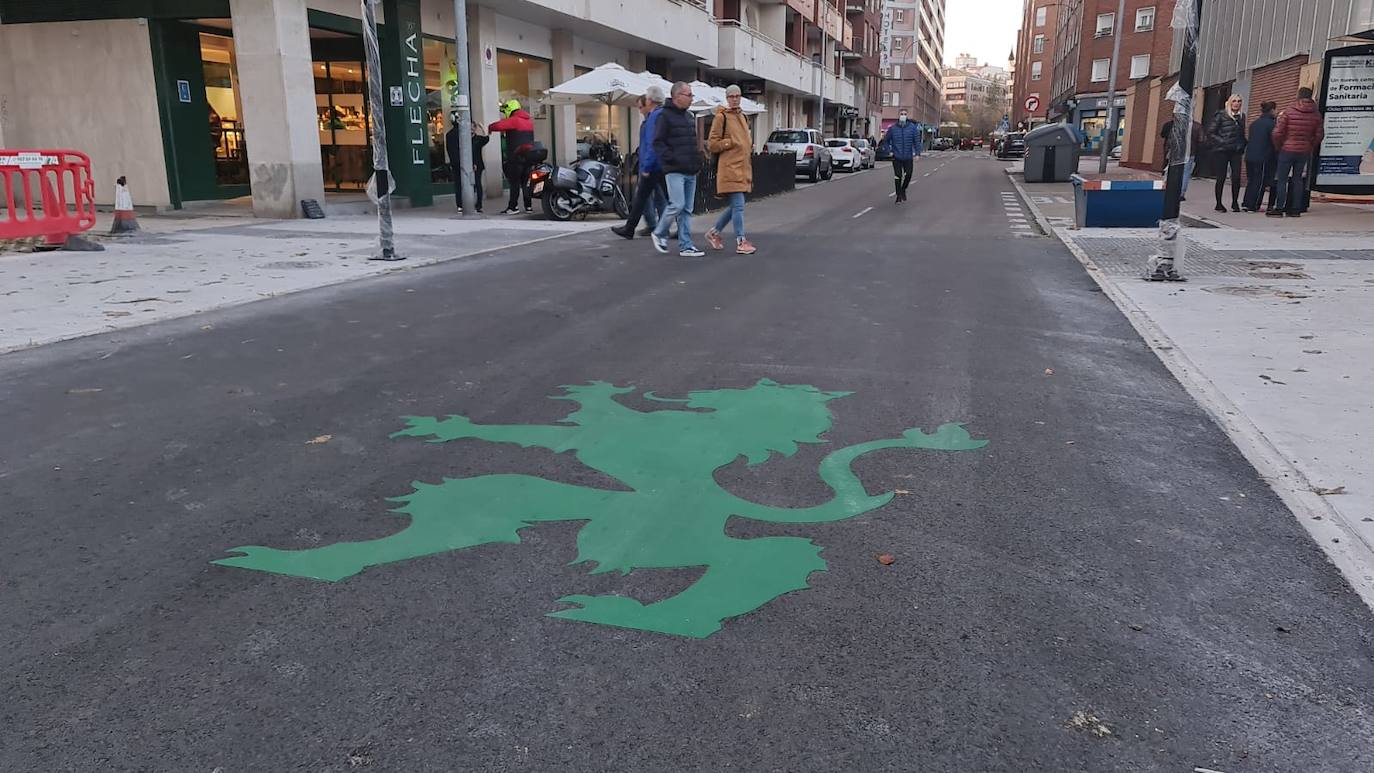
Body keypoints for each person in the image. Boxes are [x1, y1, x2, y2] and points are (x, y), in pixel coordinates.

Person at [650, 81, 705, 258]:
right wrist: (670, 159)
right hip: (675, 169)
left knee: (687, 209)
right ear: (677, 96)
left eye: (691, 95)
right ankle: (659, 233)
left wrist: (697, 160)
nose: (691, 98)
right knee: (677, 204)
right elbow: (658, 142)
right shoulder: (664, 116)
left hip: (690, 168)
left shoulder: (689, 116)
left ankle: (686, 245)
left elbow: (692, 142)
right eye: (688, 95)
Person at [704, 84, 756, 255]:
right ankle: (741, 240)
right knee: (739, 206)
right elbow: (712, 144)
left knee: (735, 206)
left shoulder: (743, 117)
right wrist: (730, 143)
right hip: (729, 169)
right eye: (731, 96)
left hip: (743, 168)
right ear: (726, 98)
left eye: (737, 96)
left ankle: (714, 233)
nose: (734, 99)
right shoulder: (721, 117)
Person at [611, 88, 668, 240]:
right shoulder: (658, 116)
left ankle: (634, 228)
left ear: (649, 101)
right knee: (651, 198)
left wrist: (646, 166)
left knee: (647, 198)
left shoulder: (654, 117)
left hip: (653, 166)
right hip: (658, 164)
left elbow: (652, 143)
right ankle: (655, 227)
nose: (639, 109)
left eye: (641, 106)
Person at [1269, 86, 1324, 218]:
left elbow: (1277, 132)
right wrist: (1310, 146)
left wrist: (1279, 146)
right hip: (1304, 151)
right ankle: (1295, 209)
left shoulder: (1289, 111)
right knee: (1298, 179)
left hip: (1286, 149)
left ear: (1298, 95)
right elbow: (1320, 135)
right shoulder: (1316, 114)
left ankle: (1279, 208)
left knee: (1282, 179)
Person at [488, 99, 537, 215]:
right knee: (526, 183)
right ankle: (528, 206)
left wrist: (490, 128)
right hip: (528, 157)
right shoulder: (529, 121)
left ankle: (513, 207)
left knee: (514, 183)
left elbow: (498, 126)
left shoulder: (514, 120)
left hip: (516, 157)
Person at [1207, 94, 1248, 212]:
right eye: (1234, 101)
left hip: (1236, 150)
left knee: (1236, 177)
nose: (1237, 103)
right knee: (1221, 177)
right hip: (1222, 151)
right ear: (1230, 102)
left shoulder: (1241, 117)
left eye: (1239, 101)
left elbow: (1241, 133)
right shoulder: (1221, 115)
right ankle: (1218, 203)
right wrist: (1222, 141)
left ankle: (1235, 202)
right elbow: (1211, 132)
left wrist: (1243, 144)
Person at [1242, 101, 1278, 213]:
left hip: (1250, 156)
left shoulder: (1254, 123)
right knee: (1260, 181)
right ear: (1272, 110)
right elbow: (1274, 141)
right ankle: (1254, 205)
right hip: (1263, 157)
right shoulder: (1272, 124)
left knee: (1251, 180)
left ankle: (1246, 203)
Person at [447, 116, 488, 214]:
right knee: (462, 184)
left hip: (476, 164)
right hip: (467, 164)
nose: (471, 129)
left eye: (473, 127)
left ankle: (478, 205)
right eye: (470, 127)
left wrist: (482, 128)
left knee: (477, 184)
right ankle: (463, 205)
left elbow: (486, 138)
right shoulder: (464, 138)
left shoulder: (477, 139)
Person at [880, 109, 922, 203]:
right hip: (897, 157)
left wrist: (917, 153)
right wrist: (889, 151)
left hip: (908, 157)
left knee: (908, 175)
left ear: (907, 116)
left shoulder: (912, 128)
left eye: (905, 114)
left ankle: (903, 190)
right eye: (901, 114)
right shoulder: (893, 128)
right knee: (898, 176)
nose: (903, 115)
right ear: (898, 115)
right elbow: (885, 141)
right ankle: (898, 194)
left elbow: (916, 142)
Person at [1160, 118, 1203, 200]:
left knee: (1169, 170)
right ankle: (1181, 194)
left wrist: (1168, 150)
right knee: (1186, 173)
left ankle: (1166, 189)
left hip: (1175, 151)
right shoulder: (1197, 126)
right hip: (1190, 152)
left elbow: (1167, 137)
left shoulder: (1175, 124)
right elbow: (1201, 140)